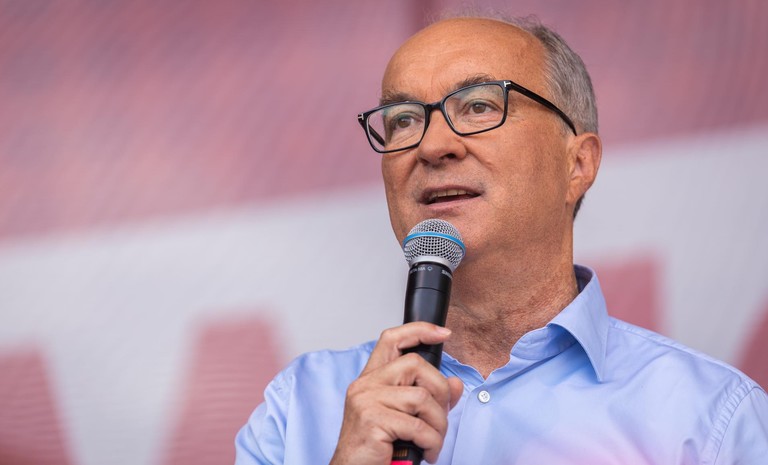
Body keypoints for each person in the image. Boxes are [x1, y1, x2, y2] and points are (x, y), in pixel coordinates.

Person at [234, 13, 768, 465]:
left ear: (577, 163)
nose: (432, 146)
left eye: (479, 107)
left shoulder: (709, 419)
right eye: (403, 119)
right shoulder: (297, 411)